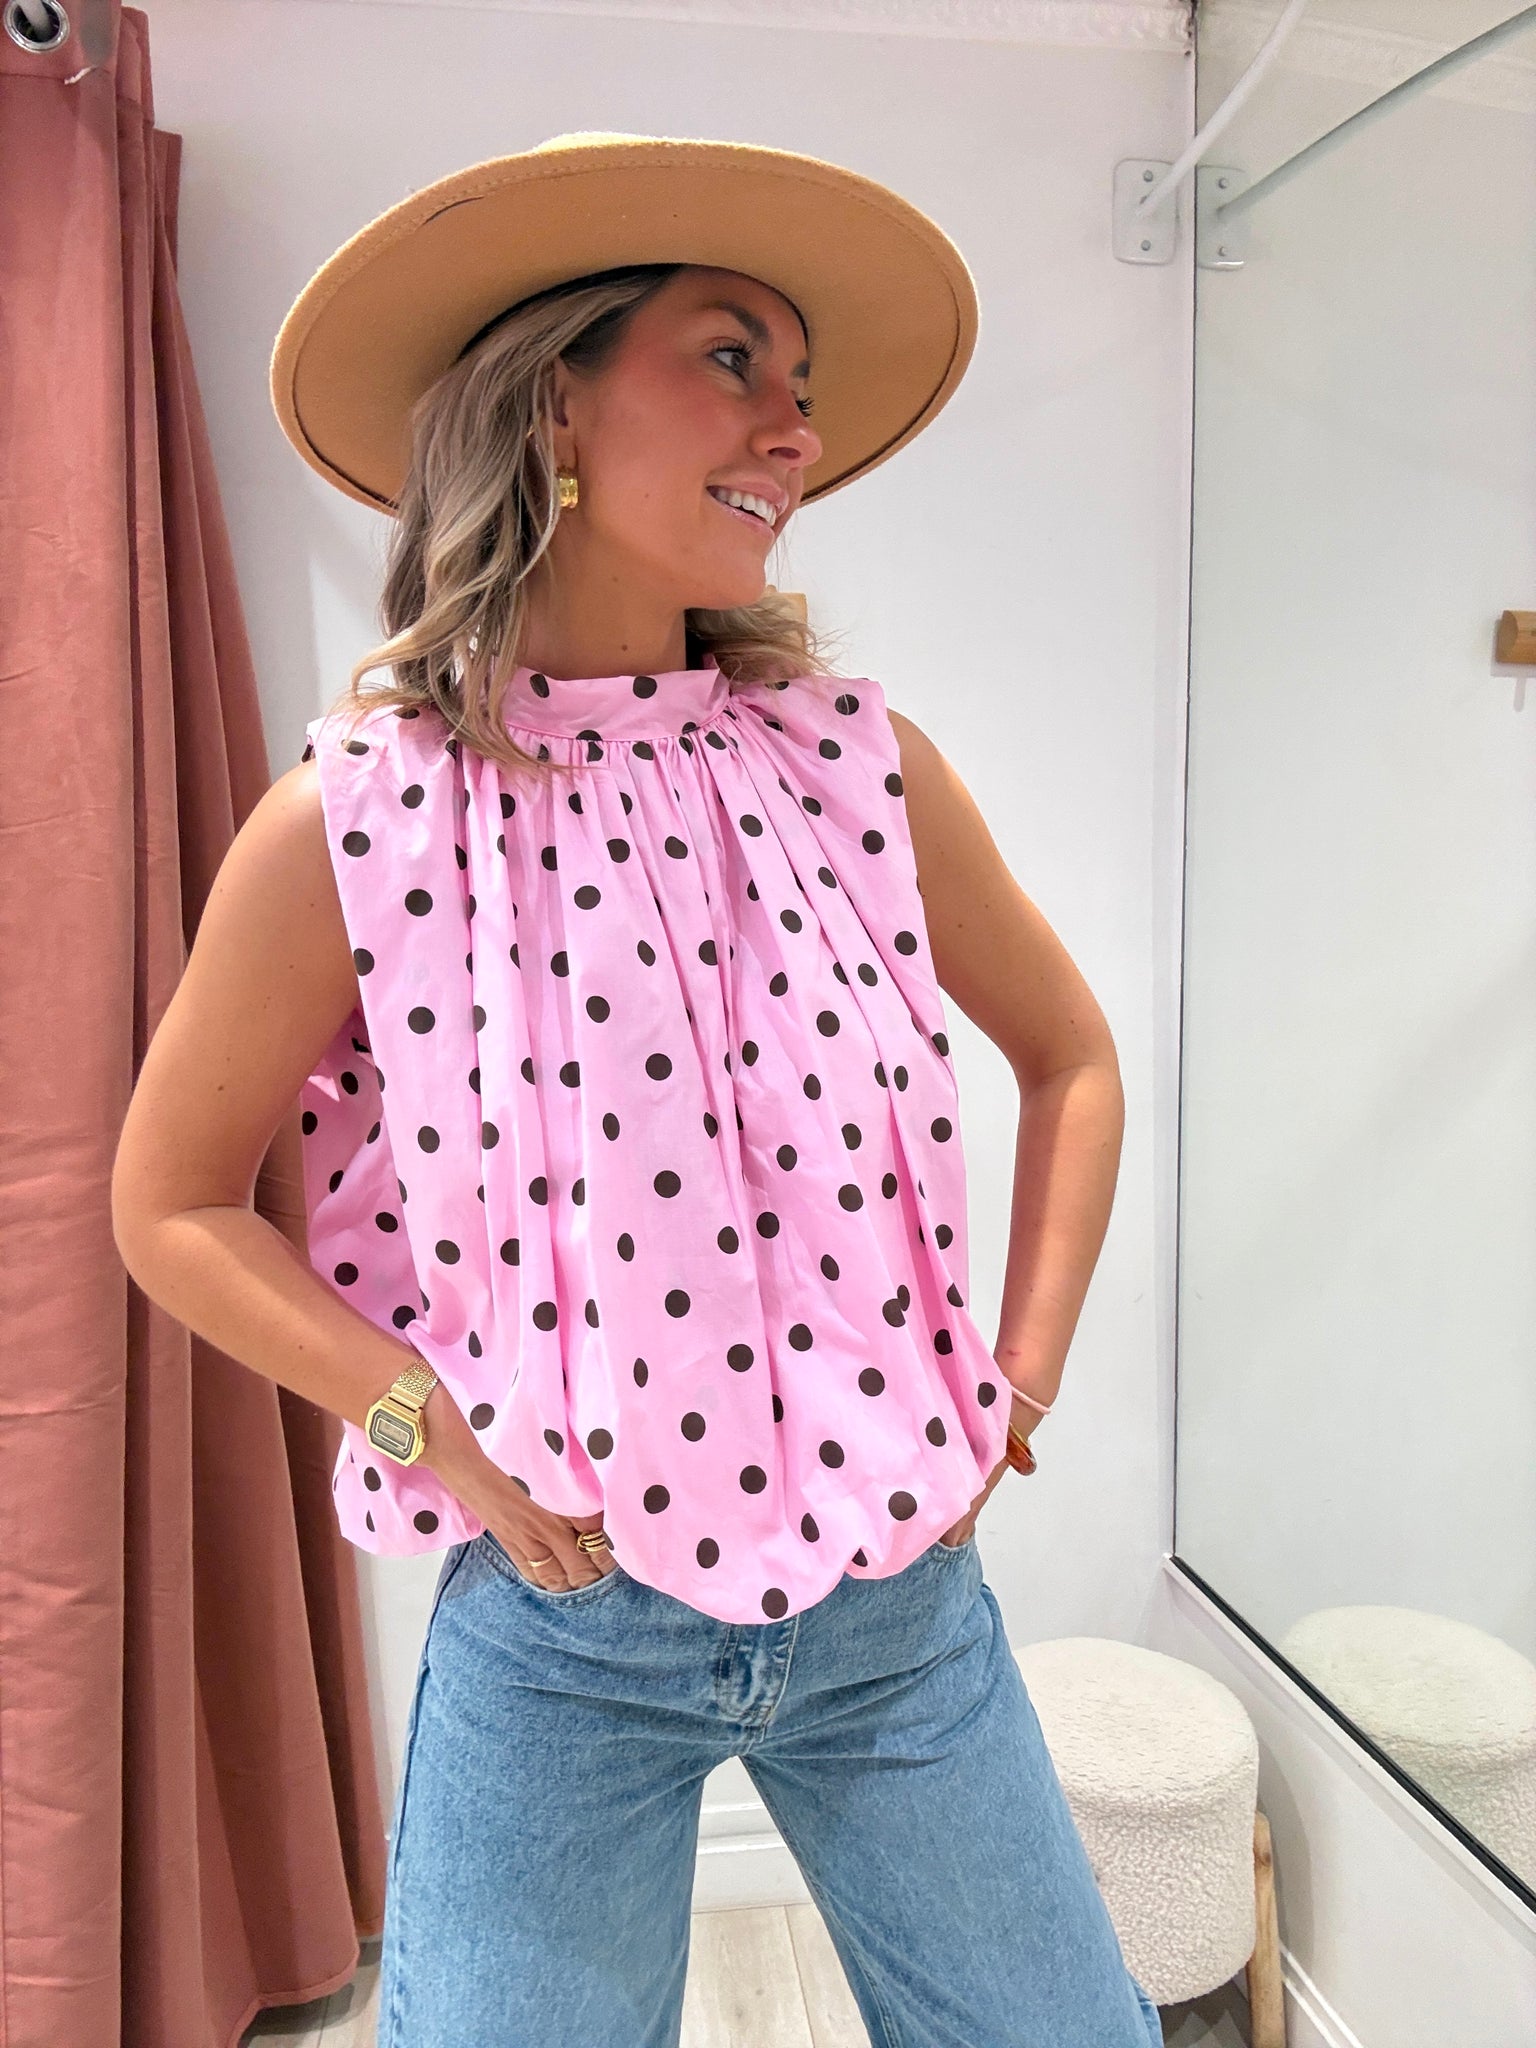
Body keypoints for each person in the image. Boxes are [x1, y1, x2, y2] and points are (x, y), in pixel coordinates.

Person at [113, 133, 1162, 2047]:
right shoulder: (359, 818)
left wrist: (1015, 1384)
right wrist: (433, 1430)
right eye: (732, 358)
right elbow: (165, 1204)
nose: (793, 432)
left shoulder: (859, 766)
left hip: (897, 1612)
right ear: (552, 407)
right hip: (564, 1625)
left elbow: (1074, 1054)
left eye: (802, 387)